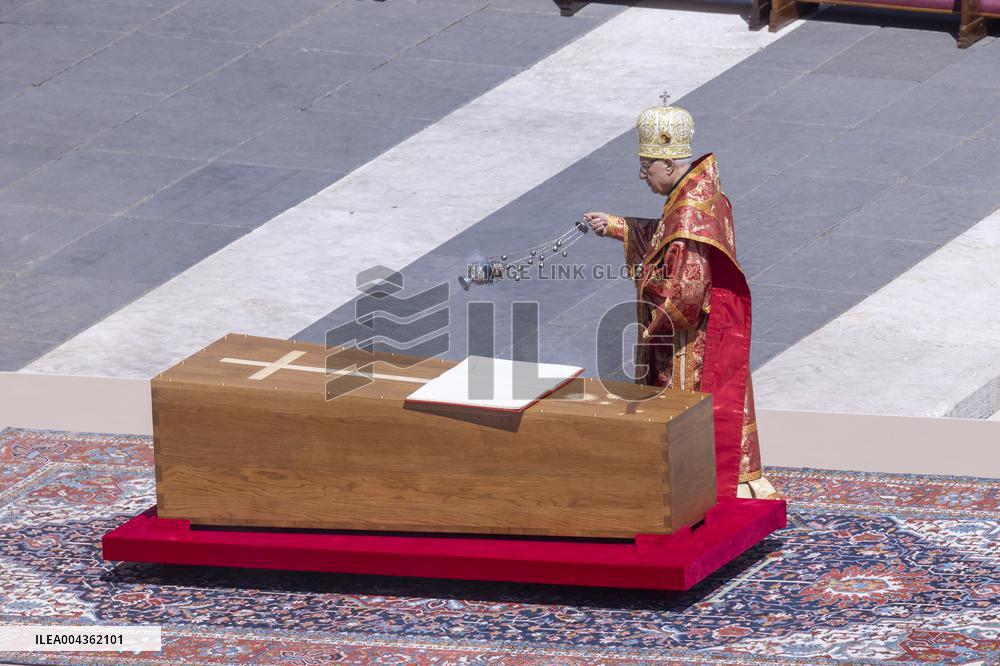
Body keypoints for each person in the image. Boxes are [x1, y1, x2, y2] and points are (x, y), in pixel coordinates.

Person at [585, 94, 778, 500]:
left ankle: (699, 487)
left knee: (689, 413)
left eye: (645, 167)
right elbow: (664, 236)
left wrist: (647, 309)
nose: (642, 175)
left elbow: (685, 293)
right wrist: (619, 226)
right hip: (715, 324)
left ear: (669, 164)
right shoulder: (700, 191)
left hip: (690, 342)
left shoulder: (690, 212)